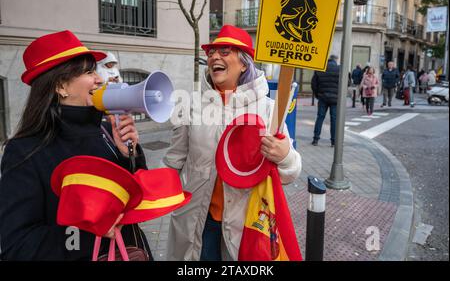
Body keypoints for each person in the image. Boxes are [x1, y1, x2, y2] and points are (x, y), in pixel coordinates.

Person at [0, 30, 151, 260]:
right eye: (89, 72)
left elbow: (137, 202)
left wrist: (129, 154)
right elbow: (19, 245)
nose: (99, 78)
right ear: (61, 86)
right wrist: (88, 234)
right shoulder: (24, 151)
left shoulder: (107, 131)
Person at [162, 25, 302, 261]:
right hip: (197, 221)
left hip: (245, 225)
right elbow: (173, 161)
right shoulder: (191, 105)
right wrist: (149, 196)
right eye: (211, 53)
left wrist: (285, 155)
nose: (214, 57)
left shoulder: (269, 110)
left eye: (225, 51)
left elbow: (290, 174)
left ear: (244, 63)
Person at [311, 55, 340, 147]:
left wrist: (317, 95)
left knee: (320, 117)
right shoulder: (340, 69)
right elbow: (346, 83)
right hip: (335, 99)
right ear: (336, 60)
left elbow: (314, 84)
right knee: (334, 119)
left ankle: (316, 139)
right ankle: (333, 141)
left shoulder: (320, 68)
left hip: (323, 97)